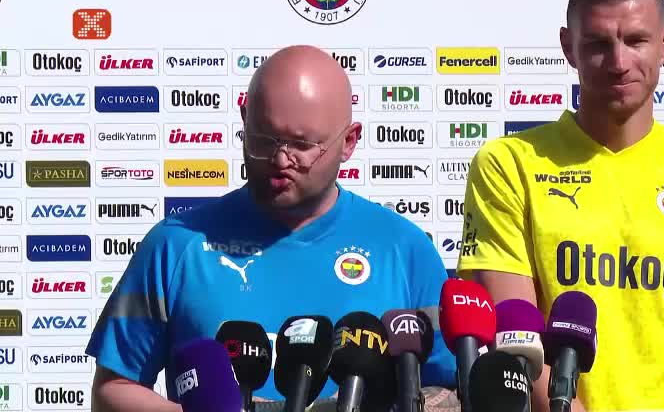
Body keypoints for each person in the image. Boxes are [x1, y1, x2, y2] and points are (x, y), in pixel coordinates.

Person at [456, 0, 664, 412]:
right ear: (568, 47)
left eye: (636, 40)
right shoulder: (508, 164)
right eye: (598, 44)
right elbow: (516, 346)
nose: (619, 63)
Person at [87, 45, 457, 411]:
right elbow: (112, 391)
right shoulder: (175, 245)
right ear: (244, 119)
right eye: (264, 139)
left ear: (348, 142)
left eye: (302, 144)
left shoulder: (404, 248)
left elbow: (450, 390)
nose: (280, 159)